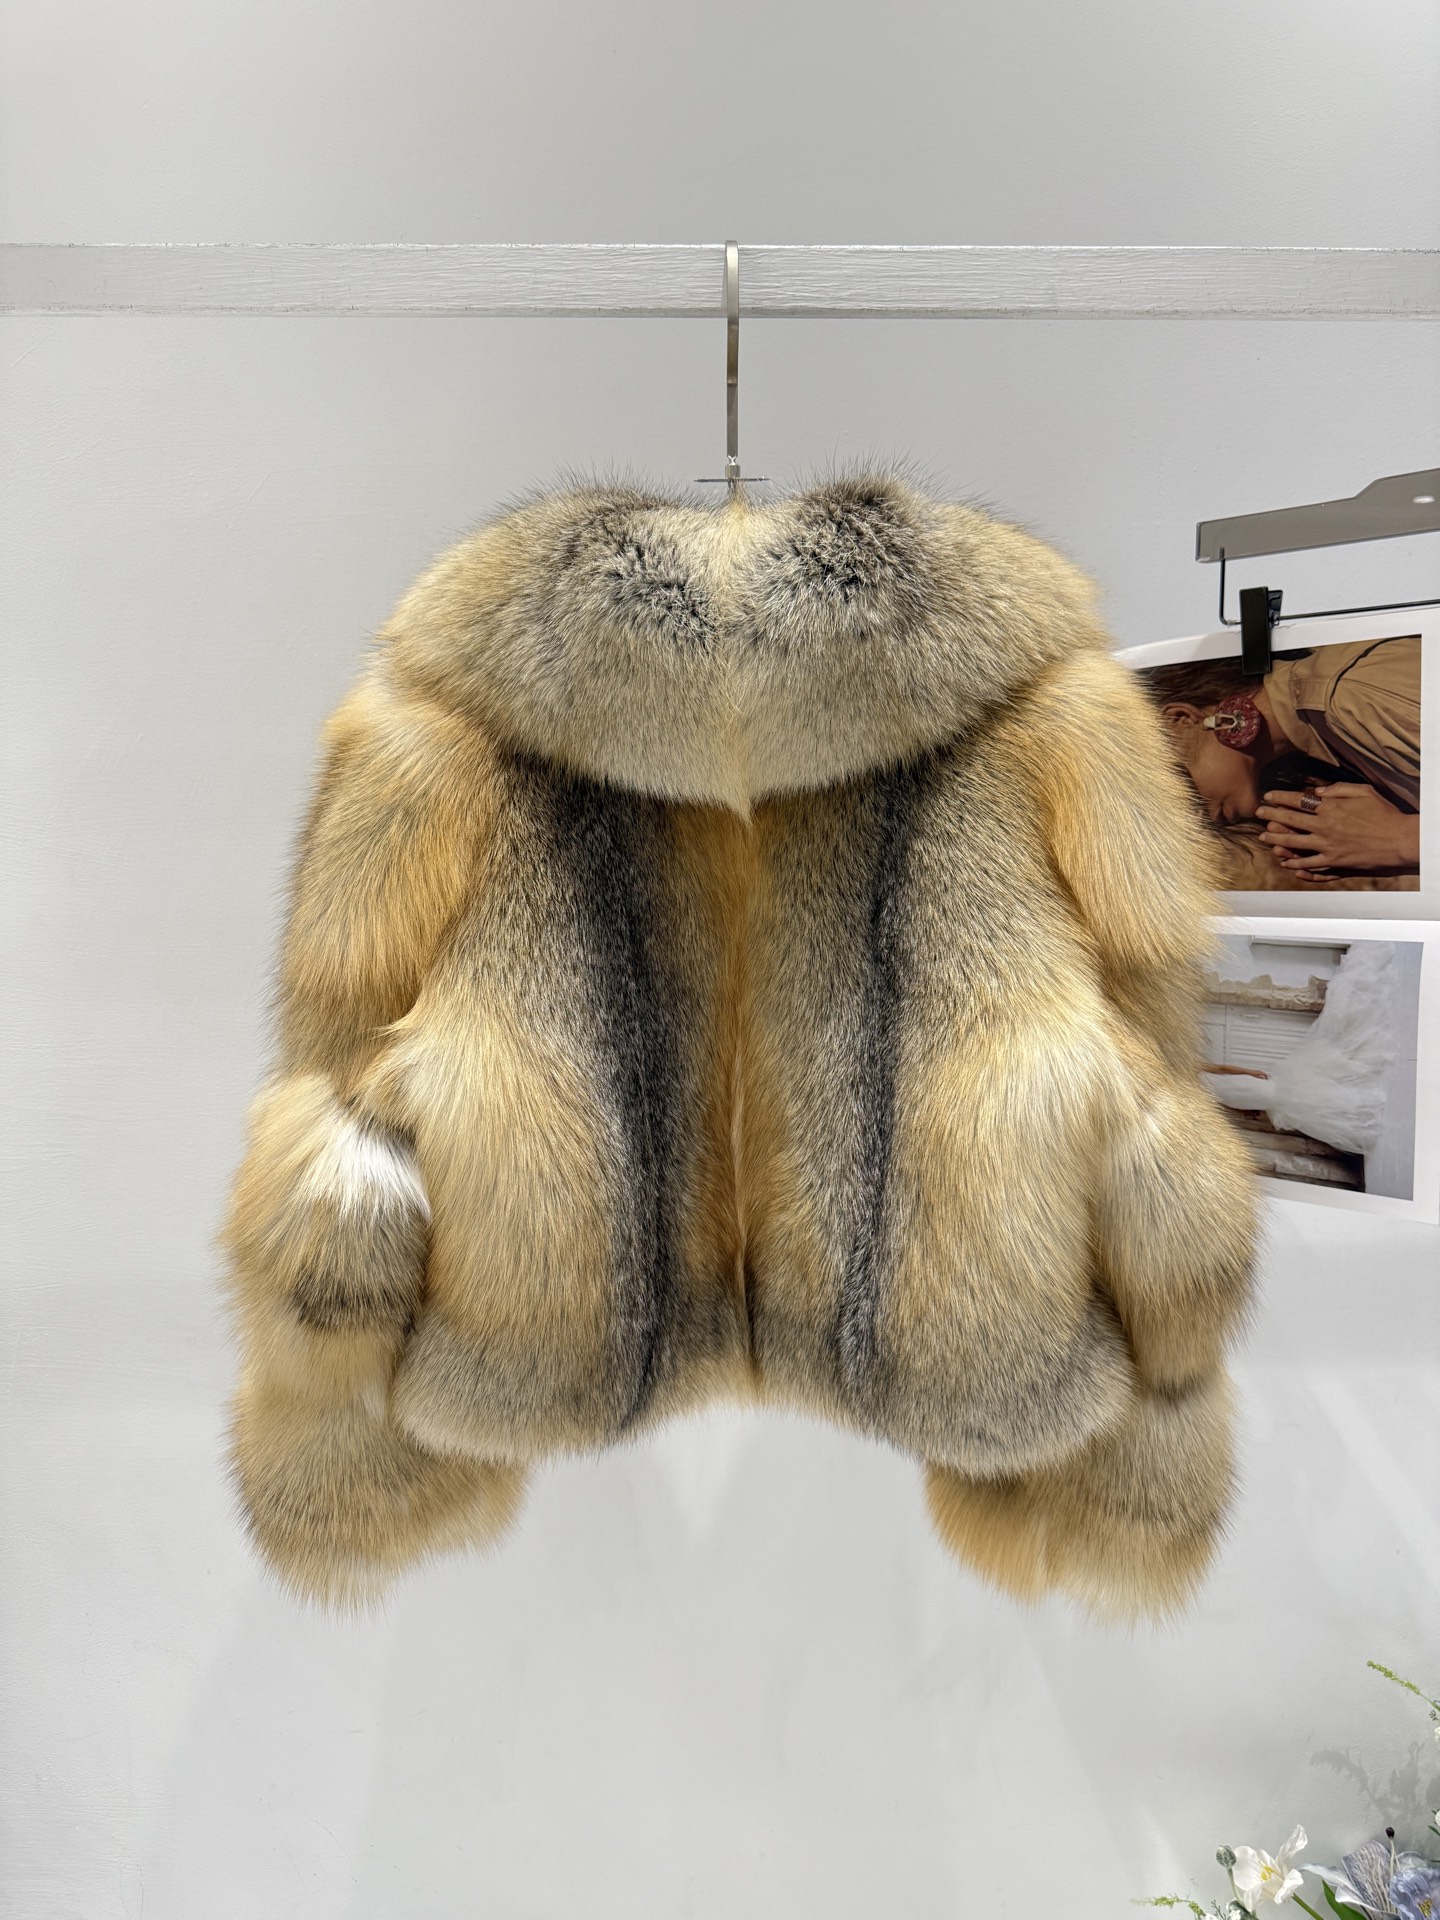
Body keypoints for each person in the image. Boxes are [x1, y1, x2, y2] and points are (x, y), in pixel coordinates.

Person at [1146, 634, 1420, 881]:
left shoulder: (1349, 696)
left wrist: (1401, 839)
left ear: (1180, 721)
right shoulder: (1323, 736)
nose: (1190, 822)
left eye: (1173, 798)